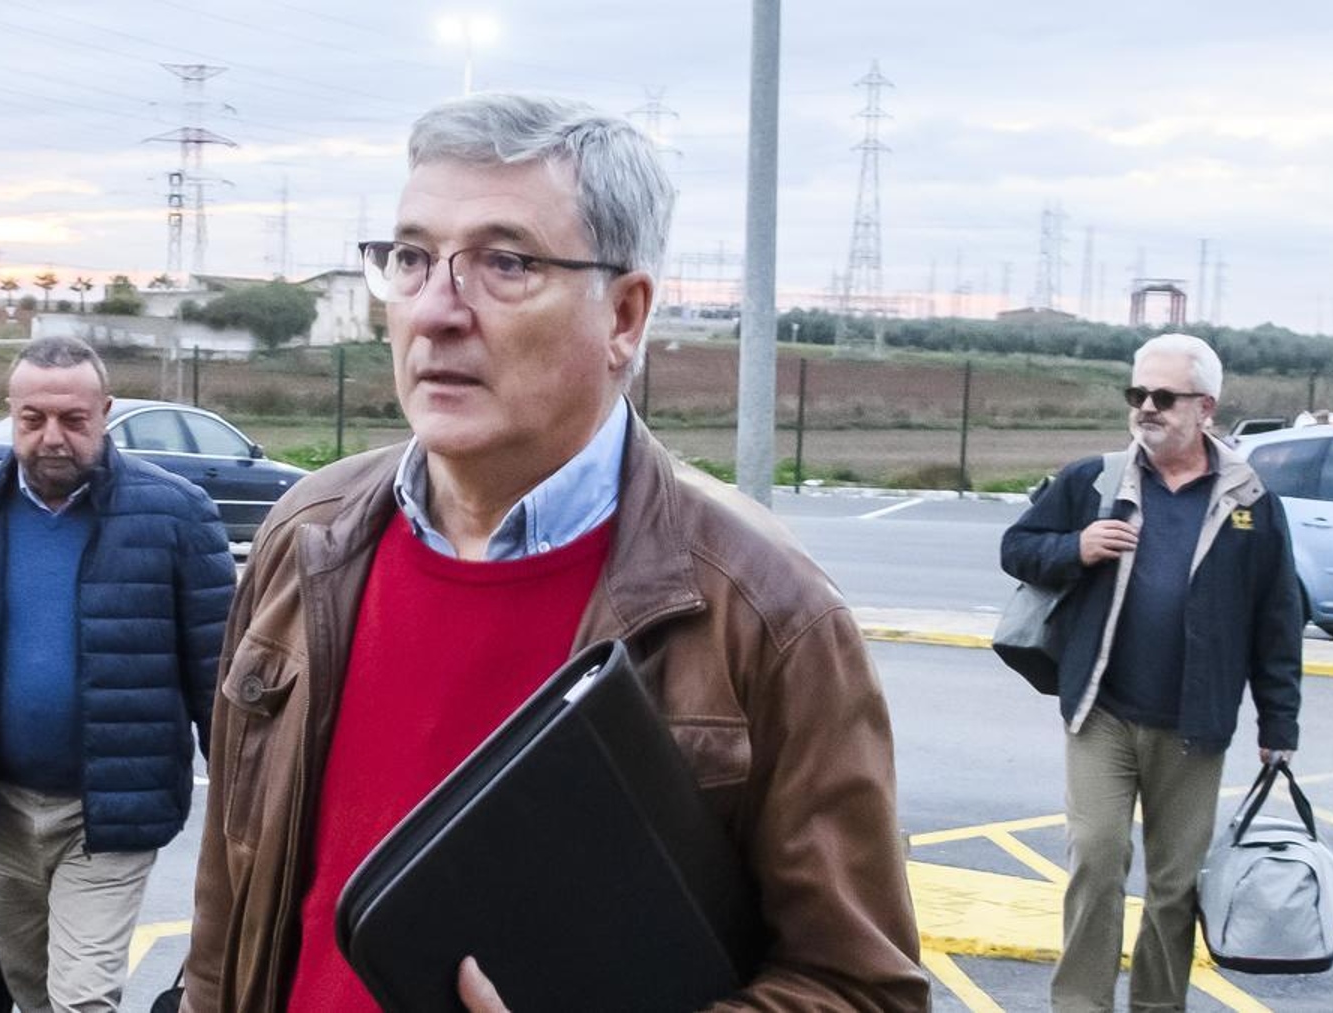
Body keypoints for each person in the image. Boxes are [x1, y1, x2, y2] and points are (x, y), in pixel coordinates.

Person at [182, 93, 927, 1012]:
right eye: (412, 258)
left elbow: (864, 989)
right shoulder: (308, 537)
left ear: (624, 314)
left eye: (504, 262)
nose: (437, 310)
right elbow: (228, 903)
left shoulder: (766, 616)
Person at [0, 334, 237, 1013]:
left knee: (81, 998)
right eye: (33, 419)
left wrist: (249, 809)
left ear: (106, 412)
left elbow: (219, 681)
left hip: (109, 813)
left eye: (73, 419)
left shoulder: (177, 516)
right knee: (28, 992)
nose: (52, 437)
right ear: (12, 415)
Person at [1001, 333, 1303, 1011]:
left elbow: (1277, 621)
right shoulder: (1094, 482)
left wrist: (1279, 721)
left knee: (1174, 886)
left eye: (1163, 397)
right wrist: (1073, 547)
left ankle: (1158, 1006)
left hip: (1195, 728)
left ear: (1206, 409)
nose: (1146, 408)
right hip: (1101, 711)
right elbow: (1016, 547)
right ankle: (1080, 1004)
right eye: (1136, 394)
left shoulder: (1252, 503)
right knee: (1098, 860)